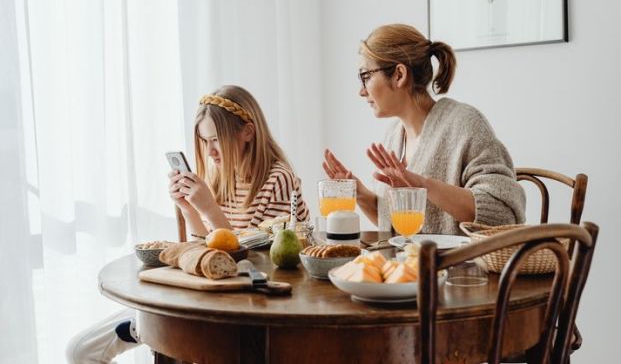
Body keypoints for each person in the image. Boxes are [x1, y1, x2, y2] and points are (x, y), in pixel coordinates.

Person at [66, 85, 309, 363]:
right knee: (79, 350)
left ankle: (153, 326)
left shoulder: (277, 179)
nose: (210, 152)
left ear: (248, 132)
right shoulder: (222, 175)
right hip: (205, 297)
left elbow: (255, 267)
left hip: (247, 309)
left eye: (216, 140)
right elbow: (207, 254)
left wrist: (208, 207)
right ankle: (152, 324)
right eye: (204, 142)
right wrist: (189, 209)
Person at [322, 24, 525, 235]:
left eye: (366, 76)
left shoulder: (465, 125)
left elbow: (503, 215)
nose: (361, 91)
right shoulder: (394, 136)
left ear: (399, 75)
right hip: (410, 265)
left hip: (463, 266)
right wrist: (360, 194)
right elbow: (394, 228)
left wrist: (422, 185)